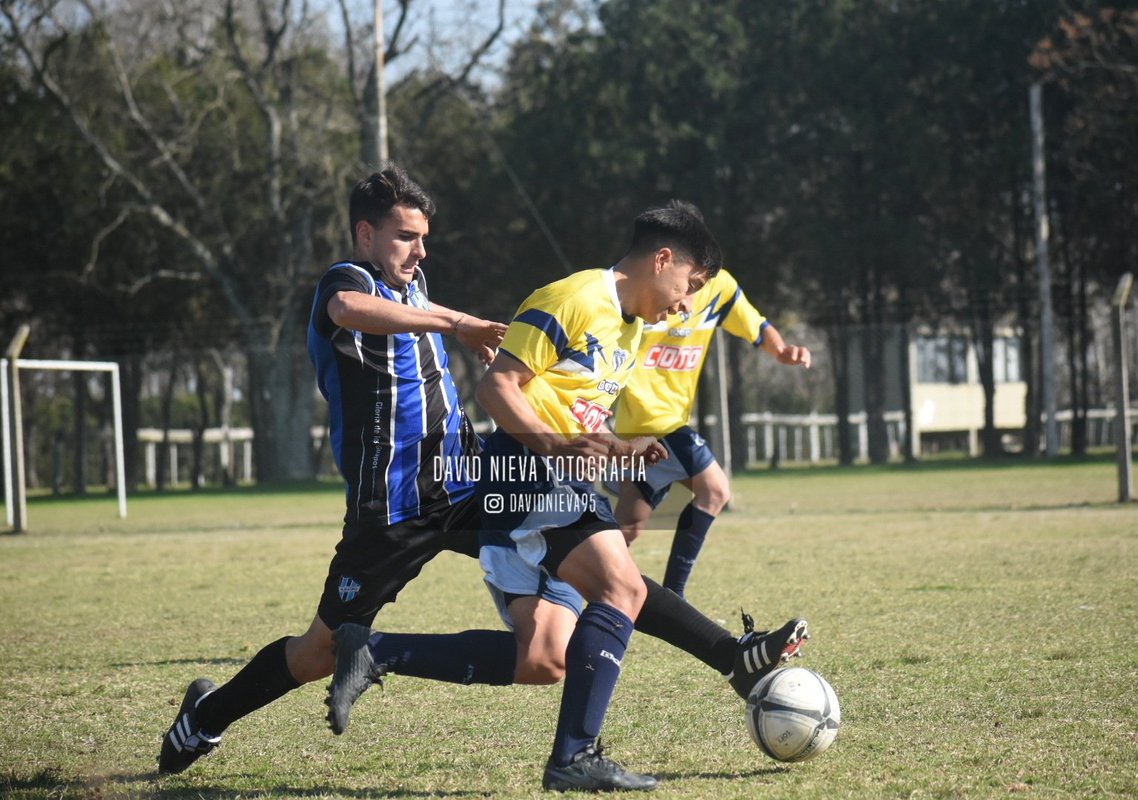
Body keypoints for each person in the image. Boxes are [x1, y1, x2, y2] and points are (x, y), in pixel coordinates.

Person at [326, 203, 807, 793]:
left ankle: (372, 649)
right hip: (524, 467)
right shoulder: (573, 298)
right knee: (622, 587)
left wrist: (620, 446)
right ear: (663, 260)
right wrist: (557, 446)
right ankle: (633, 720)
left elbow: (570, 403)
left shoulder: (632, 328)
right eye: (690, 285)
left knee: (544, 658)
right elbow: (497, 387)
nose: (686, 304)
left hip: (554, 472)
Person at [157, 165, 508, 774]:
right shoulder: (343, 282)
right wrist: (457, 324)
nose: (419, 250)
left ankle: (702, 650)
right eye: (405, 236)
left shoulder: (414, 286)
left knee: (575, 536)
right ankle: (205, 719)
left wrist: (470, 327)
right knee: (317, 652)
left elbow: (424, 306)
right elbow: (349, 308)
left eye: (424, 237)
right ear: (365, 234)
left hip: (464, 482)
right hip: (391, 510)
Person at [609, 202, 812, 599]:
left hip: (662, 426)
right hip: (649, 424)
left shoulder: (719, 288)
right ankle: (673, 597)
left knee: (626, 530)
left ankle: (562, 583)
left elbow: (757, 326)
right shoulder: (647, 290)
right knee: (715, 490)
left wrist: (782, 351)